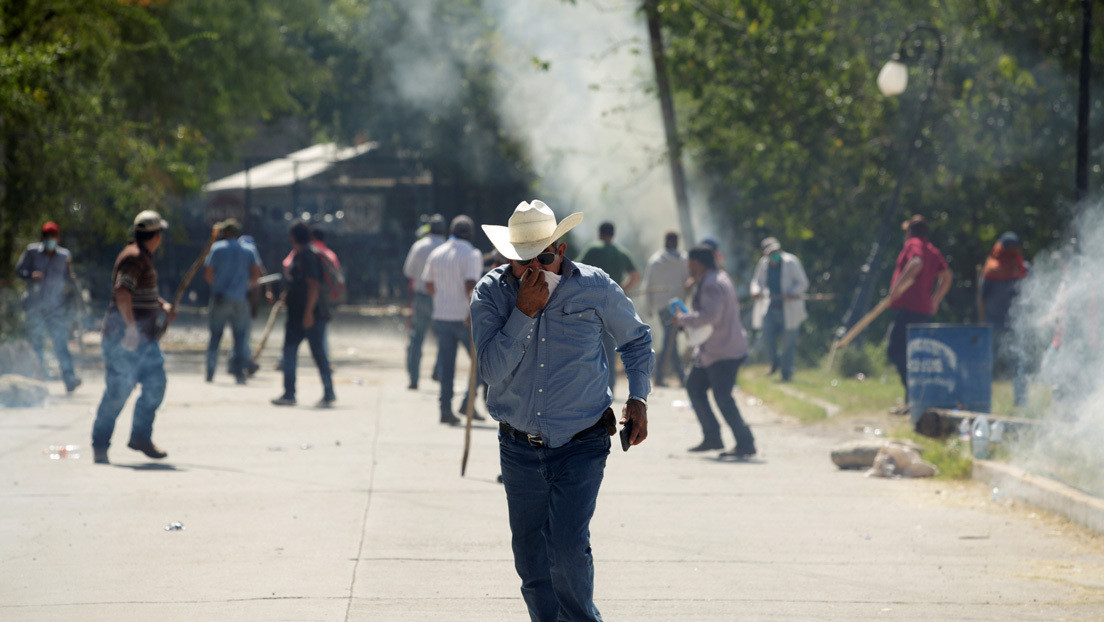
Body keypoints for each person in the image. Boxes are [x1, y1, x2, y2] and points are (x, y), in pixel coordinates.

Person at [472, 199, 653, 621]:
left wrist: (639, 397)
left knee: (569, 549)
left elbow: (637, 339)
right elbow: (491, 370)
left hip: (582, 442)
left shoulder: (595, 287)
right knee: (532, 560)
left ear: (563, 251)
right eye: (521, 262)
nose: (534, 269)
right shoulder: (491, 293)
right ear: (507, 259)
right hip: (519, 449)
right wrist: (524, 312)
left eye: (545, 257)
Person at [91, 211, 176, 464]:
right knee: (118, 391)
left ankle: (140, 436)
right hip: (125, 339)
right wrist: (130, 328)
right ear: (157, 235)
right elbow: (123, 290)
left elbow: (138, 290)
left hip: (145, 341)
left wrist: (161, 306)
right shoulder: (134, 257)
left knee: (155, 384)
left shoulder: (141, 257)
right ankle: (100, 444)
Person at [674, 245, 756, 457]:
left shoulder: (711, 283)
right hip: (716, 350)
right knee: (695, 386)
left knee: (722, 398)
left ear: (698, 263)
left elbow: (711, 316)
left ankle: (745, 443)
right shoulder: (717, 277)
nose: (688, 269)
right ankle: (713, 437)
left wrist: (682, 319)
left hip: (723, 352)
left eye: (690, 265)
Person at [886, 215, 952, 414]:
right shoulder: (932, 250)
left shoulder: (913, 244)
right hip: (923, 311)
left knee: (895, 350)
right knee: (915, 355)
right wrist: (935, 300)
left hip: (910, 310)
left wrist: (896, 288)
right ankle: (914, 399)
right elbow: (948, 275)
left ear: (909, 232)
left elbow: (916, 263)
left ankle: (913, 397)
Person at [422, 215, 485, 425]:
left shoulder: (437, 253)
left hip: (441, 316)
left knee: (446, 368)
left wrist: (443, 298)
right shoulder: (472, 254)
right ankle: (467, 402)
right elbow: (470, 287)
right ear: (472, 234)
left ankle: (445, 409)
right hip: (464, 319)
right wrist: (472, 311)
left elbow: (429, 286)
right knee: (482, 365)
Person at [271, 220, 336, 408]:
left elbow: (313, 285)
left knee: (316, 354)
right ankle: (290, 393)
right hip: (297, 314)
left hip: (309, 315)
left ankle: (327, 391)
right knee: (292, 353)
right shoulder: (301, 255)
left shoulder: (307, 255)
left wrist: (308, 313)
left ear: (292, 237)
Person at [15, 221, 82, 392]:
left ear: (58, 238)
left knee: (61, 344)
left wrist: (73, 290)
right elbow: (18, 271)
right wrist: (30, 275)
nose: (50, 240)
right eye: (47, 237)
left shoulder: (64, 256)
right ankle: (37, 384)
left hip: (56, 308)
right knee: (36, 345)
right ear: (42, 238)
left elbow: (69, 279)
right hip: (35, 307)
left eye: (53, 237)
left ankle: (69, 379)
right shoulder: (31, 252)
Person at [580, 221, 641, 395]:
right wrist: (621, 289)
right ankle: (610, 386)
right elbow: (636, 276)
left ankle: (591, 386)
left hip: (591, 303)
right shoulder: (621, 252)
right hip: (613, 305)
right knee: (609, 346)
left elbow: (575, 270)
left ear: (599, 233)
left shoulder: (593, 249)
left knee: (589, 344)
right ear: (613, 234)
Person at [203, 219, 263, 384]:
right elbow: (256, 273)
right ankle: (239, 374)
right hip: (240, 300)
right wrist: (246, 287)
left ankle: (210, 373)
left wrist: (216, 287)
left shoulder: (217, 248)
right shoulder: (249, 250)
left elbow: (208, 273)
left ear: (226, 232)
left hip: (220, 298)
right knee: (239, 338)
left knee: (215, 337)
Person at [978, 231, 1029, 407]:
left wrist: (982, 322)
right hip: (999, 324)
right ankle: (985, 398)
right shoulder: (1017, 269)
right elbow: (983, 298)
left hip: (1004, 323)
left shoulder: (995, 269)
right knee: (994, 362)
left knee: (1006, 362)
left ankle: (985, 398)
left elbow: (982, 299)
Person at [749, 237, 809, 382]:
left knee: (788, 344)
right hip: (771, 306)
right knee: (766, 338)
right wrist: (756, 291)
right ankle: (775, 362)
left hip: (789, 309)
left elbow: (803, 283)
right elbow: (756, 281)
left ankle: (786, 374)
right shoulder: (764, 263)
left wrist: (792, 292)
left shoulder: (791, 262)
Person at [402, 214, 446, 390]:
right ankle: (437, 370)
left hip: (421, 297)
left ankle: (413, 379)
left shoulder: (419, 246)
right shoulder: (446, 248)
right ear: (444, 230)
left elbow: (408, 271)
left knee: (416, 338)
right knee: (444, 338)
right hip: (441, 299)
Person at [642, 230, 688, 387]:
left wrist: (649, 307)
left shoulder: (655, 261)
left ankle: (669, 376)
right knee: (670, 340)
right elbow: (687, 282)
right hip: (676, 307)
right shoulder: (683, 260)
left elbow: (648, 286)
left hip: (663, 307)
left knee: (671, 340)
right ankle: (672, 376)